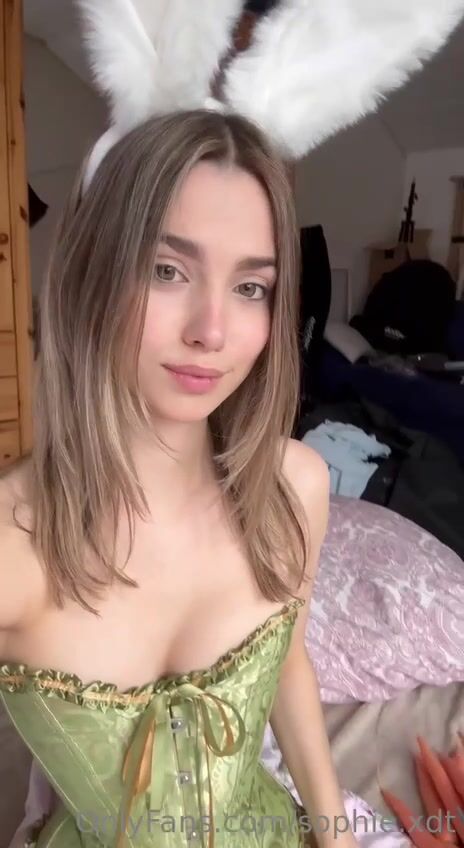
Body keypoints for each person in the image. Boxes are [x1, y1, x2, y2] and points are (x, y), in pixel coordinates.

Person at [0, 110, 354, 848]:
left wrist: (335, 835)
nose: (212, 331)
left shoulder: (295, 488)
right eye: (167, 271)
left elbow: (288, 662)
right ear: (92, 276)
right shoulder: (13, 543)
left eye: (251, 287)